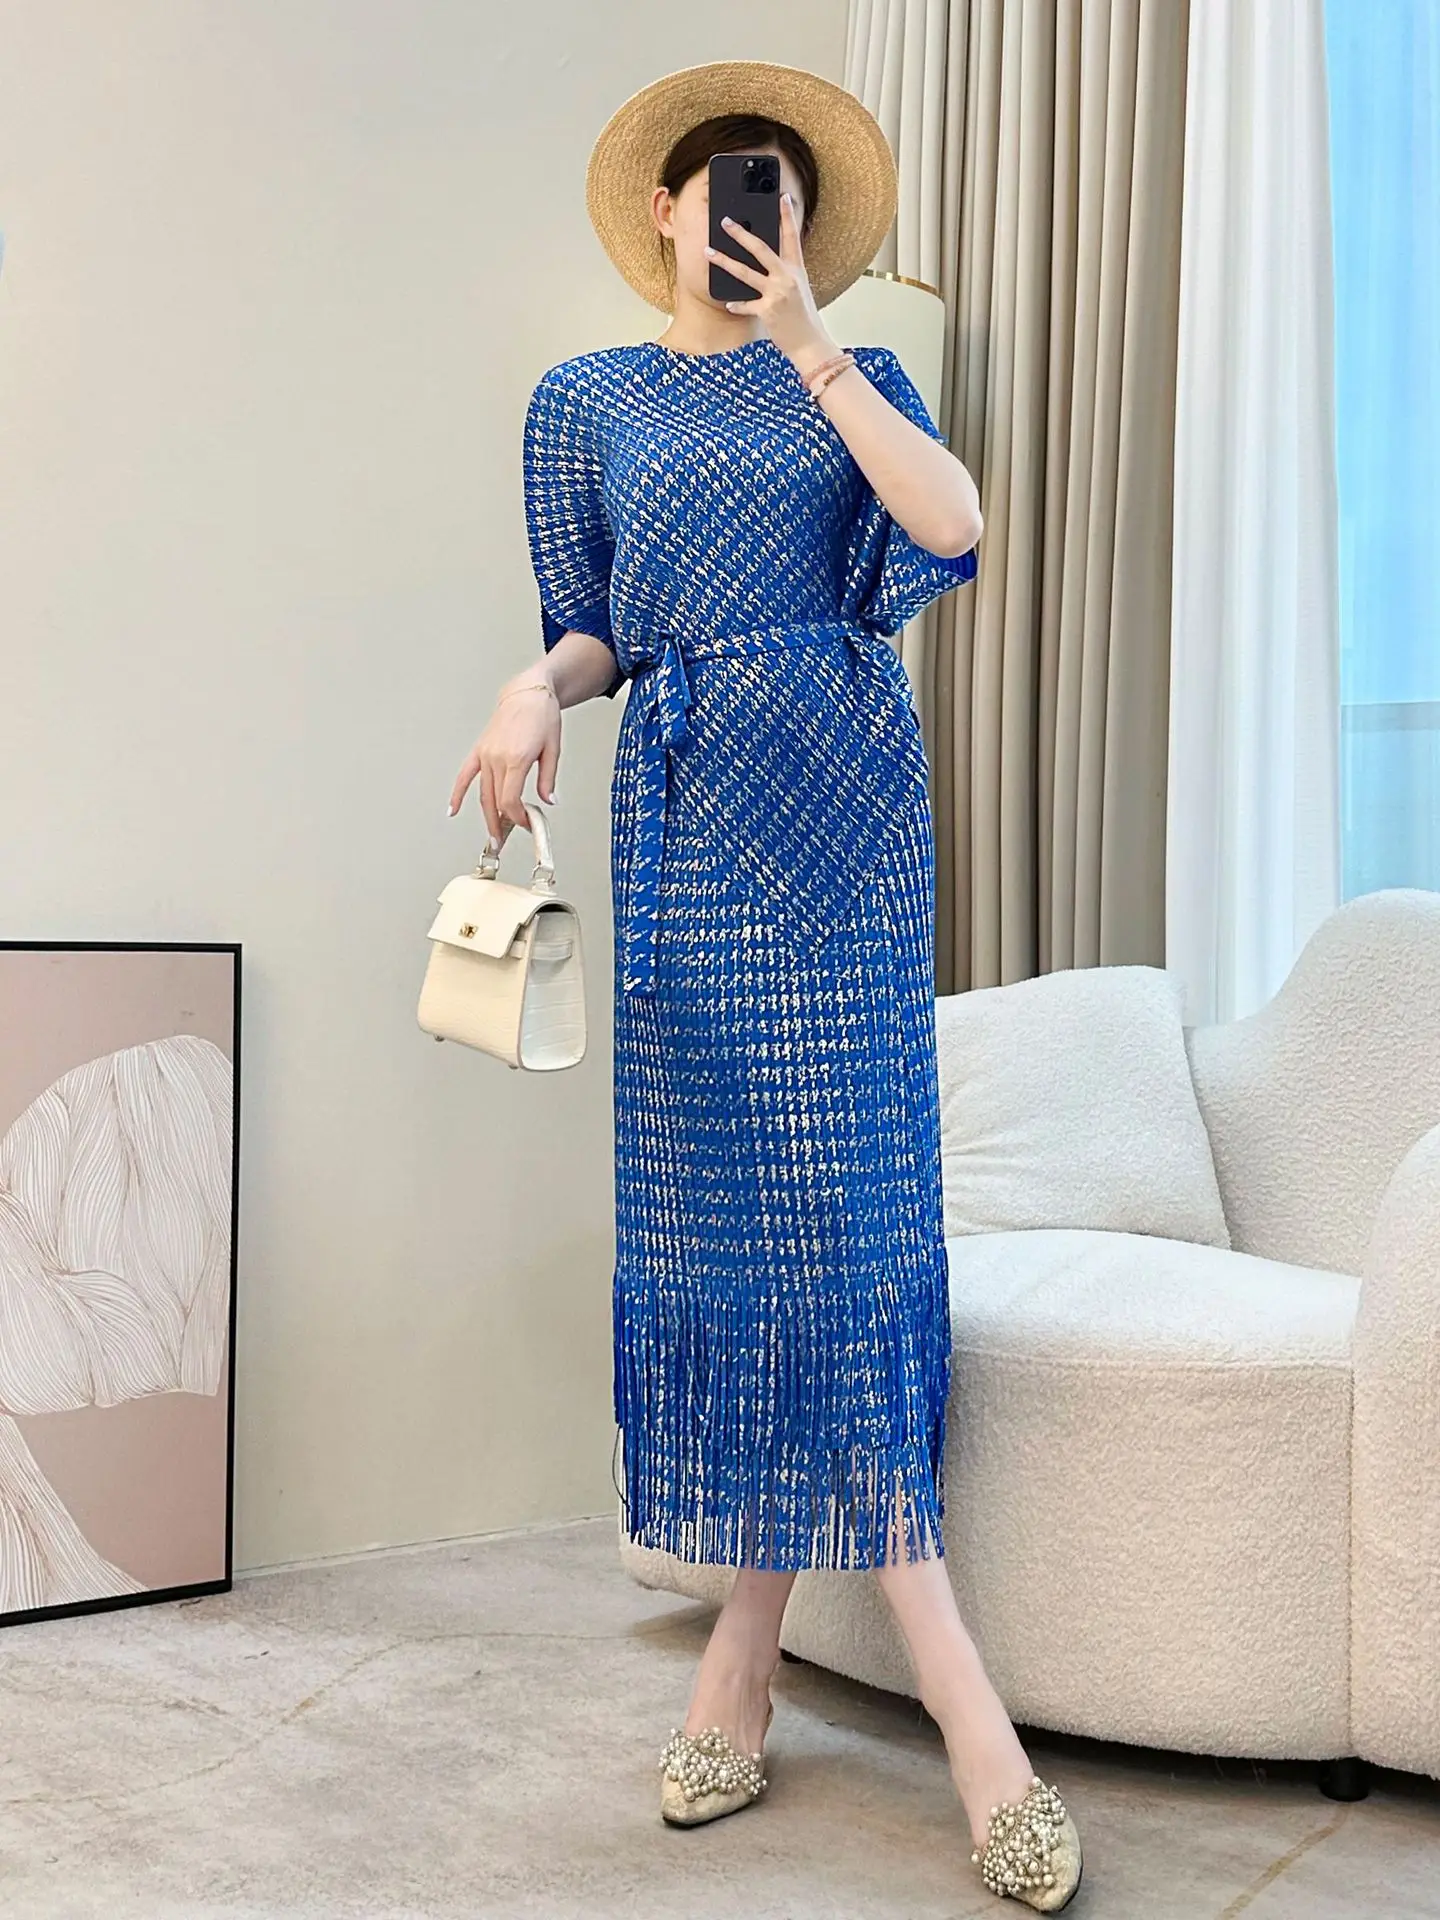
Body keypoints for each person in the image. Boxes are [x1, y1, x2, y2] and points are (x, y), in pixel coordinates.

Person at [449, 59, 1082, 1914]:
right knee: (737, 1227)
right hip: (687, 819)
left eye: (780, 196)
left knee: (852, 1217)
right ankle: (771, 1656)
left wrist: (809, 340)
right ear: (665, 207)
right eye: (727, 188)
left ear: (803, 229)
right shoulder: (586, 403)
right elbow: (593, 624)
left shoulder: (858, 373)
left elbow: (951, 529)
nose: (749, 216)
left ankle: (888, 1686)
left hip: (845, 816)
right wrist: (529, 690)